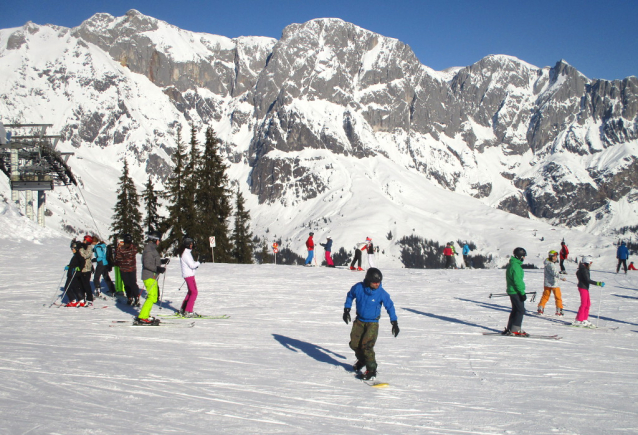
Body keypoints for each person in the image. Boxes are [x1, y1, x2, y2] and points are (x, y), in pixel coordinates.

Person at [343, 268, 399, 381]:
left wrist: (394, 322)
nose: (377, 284)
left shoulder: (381, 293)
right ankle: (362, 360)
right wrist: (347, 309)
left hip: (372, 323)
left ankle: (371, 370)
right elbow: (350, 295)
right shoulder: (359, 288)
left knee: (367, 346)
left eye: (379, 282)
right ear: (368, 280)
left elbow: (390, 306)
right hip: (359, 320)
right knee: (354, 344)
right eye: (375, 282)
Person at [136, 231, 169, 325]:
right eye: (159, 240)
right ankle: (142, 316)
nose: (159, 242)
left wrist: (162, 261)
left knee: (154, 297)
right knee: (152, 297)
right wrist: (157, 268)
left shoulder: (151, 249)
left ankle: (145, 314)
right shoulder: (149, 250)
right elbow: (147, 264)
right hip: (149, 276)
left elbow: (153, 261)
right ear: (155, 240)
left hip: (152, 276)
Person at [573, 256, 605, 327]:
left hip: (585, 288)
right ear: (587, 263)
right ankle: (579, 320)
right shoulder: (584, 270)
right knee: (584, 304)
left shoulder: (584, 269)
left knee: (588, 303)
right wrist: (598, 283)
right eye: (590, 263)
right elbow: (588, 280)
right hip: (583, 288)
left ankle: (584, 319)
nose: (591, 264)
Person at [503, 247, 528, 336]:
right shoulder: (516, 266)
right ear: (519, 256)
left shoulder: (513, 264)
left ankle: (510, 328)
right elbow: (517, 281)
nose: (524, 258)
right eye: (523, 256)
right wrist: (522, 292)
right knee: (520, 310)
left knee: (515, 310)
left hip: (512, 290)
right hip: (515, 291)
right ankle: (515, 329)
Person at [114, 233, 140, 306]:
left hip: (126, 269)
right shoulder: (133, 248)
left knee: (129, 284)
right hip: (129, 269)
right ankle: (134, 297)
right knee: (131, 284)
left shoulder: (121, 249)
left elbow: (117, 259)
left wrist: (118, 250)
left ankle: (132, 297)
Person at [537, 250, 565, 316]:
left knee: (545, 296)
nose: (555, 258)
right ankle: (559, 310)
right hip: (554, 284)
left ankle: (540, 307)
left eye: (556, 256)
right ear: (550, 257)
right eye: (554, 256)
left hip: (547, 283)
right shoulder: (551, 264)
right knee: (558, 297)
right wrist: (561, 277)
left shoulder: (547, 263)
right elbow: (555, 273)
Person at [179, 237, 201, 317]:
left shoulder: (187, 252)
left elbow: (191, 264)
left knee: (191, 292)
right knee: (194, 292)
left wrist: (196, 264)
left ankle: (183, 309)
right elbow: (192, 265)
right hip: (189, 275)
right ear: (187, 244)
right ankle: (188, 311)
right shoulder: (185, 254)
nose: (192, 245)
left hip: (189, 274)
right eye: (191, 244)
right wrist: (199, 262)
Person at [63, 241, 85, 307]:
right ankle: (81, 300)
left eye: (73, 249)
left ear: (77, 248)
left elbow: (82, 262)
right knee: (75, 287)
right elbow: (73, 264)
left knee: (67, 287)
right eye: (71, 249)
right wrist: (69, 266)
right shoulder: (75, 256)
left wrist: (79, 268)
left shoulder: (78, 256)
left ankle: (73, 300)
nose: (72, 250)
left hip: (73, 274)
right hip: (73, 274)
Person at [78, 235, 95, 306]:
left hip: (87, 269)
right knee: (81, 284)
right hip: (82, 269)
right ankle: (82, 298)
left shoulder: (89, 248)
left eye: (84, 240)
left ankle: (89, 298)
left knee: (86, 285)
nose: (83, 241)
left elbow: (85, 255)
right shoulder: (84, 247)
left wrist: (80, 248)